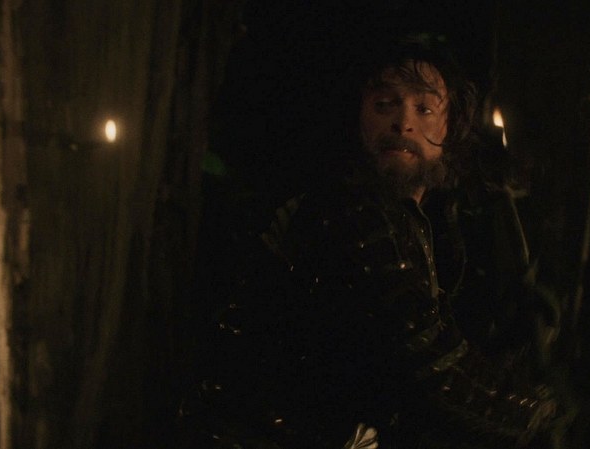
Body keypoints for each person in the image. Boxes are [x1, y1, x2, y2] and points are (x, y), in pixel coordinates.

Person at [183, 34, 565, 449]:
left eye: (424, 108)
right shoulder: (353, 210)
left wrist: (513, 343)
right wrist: (537, 411)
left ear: (449, 126)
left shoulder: (405, 217)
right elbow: (428, 360)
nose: (403, 123)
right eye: (385, 105)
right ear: (359, 118)